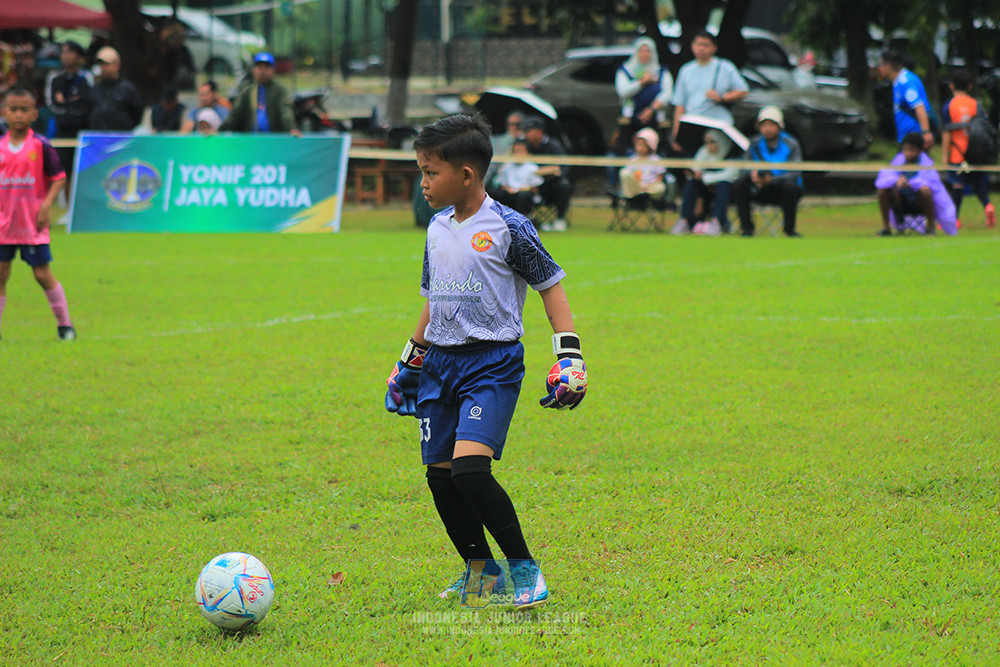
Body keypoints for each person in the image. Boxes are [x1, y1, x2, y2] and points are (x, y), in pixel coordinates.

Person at [384, 113, 587, 611]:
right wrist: (408, 362)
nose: (423, 182)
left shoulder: (509, 227)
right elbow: (433, 297)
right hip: (440, 367)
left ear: (467, 174)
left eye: (430, 172)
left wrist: (571, 359)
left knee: (470, 471)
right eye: (421, 171)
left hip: (491, 364)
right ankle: (481, 574)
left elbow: (550, 287)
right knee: (439, 474)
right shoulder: (435, 228)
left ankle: (524, 568)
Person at [0, 87, 75, 341]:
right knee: (1, 274)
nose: (18, 115)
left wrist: (46, 206)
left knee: (42, 274)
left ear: (34, 114)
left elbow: (59, 177)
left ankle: (65, 325)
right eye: (13, 109)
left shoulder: (41, 145)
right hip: (3, 224)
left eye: (24, 110)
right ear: (4, 113)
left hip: (32, 223)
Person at [670, 31, 748, 153]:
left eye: (706, 45)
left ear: (714, 48)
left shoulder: (725, 67)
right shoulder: (686, 70)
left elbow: (743, 91)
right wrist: (676, 133)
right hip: (693, 123)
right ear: (692, 46)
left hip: (718, 124)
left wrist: (722, 98)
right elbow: (679, 105)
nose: (701, 48)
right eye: (698, 44)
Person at [733, 106, 804, 237]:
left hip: (782, 189)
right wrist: (753, 176)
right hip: (759, 188)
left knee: (790, 187)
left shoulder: (791, 144)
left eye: (771, 124)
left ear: (779, 126)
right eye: (764, 125)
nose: (768, 128)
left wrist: (772, 180)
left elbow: (795, 173)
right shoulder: (754, 144)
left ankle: (790, 230)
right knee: (740, 184)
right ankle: (747, 229)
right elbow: (744, 168)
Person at [940, 70, 995, 229]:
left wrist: (945, 156)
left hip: (958, 153)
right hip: (976, 152)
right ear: (970, 86)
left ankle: (955, 219)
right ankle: (987, 206)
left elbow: (947, 132)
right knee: (978, 184)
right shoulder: (976, 104)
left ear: (951, 86)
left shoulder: (948, 106)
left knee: (957, 184)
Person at [875, 131, 957, 236]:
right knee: (883, 190)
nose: (908, 153)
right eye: (905, 150)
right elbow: (884, 177)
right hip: (900, 200)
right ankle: (886, 228)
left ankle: (930, 227)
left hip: (919, 202)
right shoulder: (898, 160)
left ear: (919, 151)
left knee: (925, 189)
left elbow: (931, 182)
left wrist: (910, 183)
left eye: (912, 150)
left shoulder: (926, 163)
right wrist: (896, 181)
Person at [673, 129, 739, 236]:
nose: (709, 145)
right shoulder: (704, 151)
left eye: (712, 141)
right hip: (706, 189)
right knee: (692, 183)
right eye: (706, 142)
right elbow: (696, 167)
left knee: (723, 185)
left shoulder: (732, 152)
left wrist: (705, 178)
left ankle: (716, 222)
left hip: (727, 191)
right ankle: (684, 220)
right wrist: (696, 174)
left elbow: (731, 174)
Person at [44, 41, 95, 180]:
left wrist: (66, 103)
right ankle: (65, 201)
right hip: (61, 132)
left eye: (70, 52)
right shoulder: (54, 78)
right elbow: (52, 104)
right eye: (63, 52)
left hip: (82, 131)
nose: (66, 56)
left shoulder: (87, 77)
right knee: (64, 172)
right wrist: (72, 104)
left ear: (79, 57)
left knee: (82, 172)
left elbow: (87, 104)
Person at [615, 36, 673, 152]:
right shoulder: (625, 70)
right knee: (626, 152)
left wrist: (651, 110)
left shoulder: (661, 71)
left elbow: (667, 94)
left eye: (648, 51)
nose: (645, 54)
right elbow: (623, 92)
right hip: (631, 120)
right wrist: (642, 82)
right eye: (641, 51)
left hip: (655, 119)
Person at [219, 52, 299, 135]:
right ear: (253, 69)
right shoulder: (247, 91)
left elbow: (286, 113)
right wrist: (219, 131)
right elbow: (235, 115)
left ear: (273, 70)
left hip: (274, 140)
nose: (263, 72)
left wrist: (291, 129)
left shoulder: (280, 91)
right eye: (259, 68)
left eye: (267, 68)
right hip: (252, 141)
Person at [522, 116, 573, 231]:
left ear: (539, 132)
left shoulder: (554, 146)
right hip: (529, 184)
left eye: (528, 131)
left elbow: (563, 168)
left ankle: (560, 218)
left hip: (550, 185)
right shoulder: (524, 146)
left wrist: (545, 173)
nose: (526, 134)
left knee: (563, 185)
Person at [878, 50, 934, 150]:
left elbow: (919, 106)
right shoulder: (899, 82)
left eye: (881, 65)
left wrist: (926, 133)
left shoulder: (906, 82)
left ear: (888, 66)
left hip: (914, 139)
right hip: (906, 139)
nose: (879, 68)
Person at [88, 46, 144, 132]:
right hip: (98, 139)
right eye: (101, 64)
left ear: (117, 65)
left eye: (106, 64)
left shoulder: (128, 89)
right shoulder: (95, 89)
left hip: (122, 140)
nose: (103, 68)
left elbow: (137, 115)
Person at [491, 138, 544, 216]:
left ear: (528, 153)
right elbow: (501, 184)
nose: (517, 154)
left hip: (524, 193)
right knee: (493, 192)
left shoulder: (532, 167)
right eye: (515, 151)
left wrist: (519, 190)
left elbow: (534, 188)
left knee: (523, 196)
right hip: (508, 193)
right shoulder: (507, 166)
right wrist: (508, 189)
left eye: (520, 152)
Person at [618, 128, 669, 200]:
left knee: (660, 187)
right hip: (636, 187)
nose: (640, 148)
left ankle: (647, 198)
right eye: (638, 145)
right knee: (624, 173)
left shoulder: (656, 160)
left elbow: (659, 177)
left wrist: (648, 186)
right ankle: (631, 199)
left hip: (650, 187)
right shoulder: (632, 159)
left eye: (643, 146)